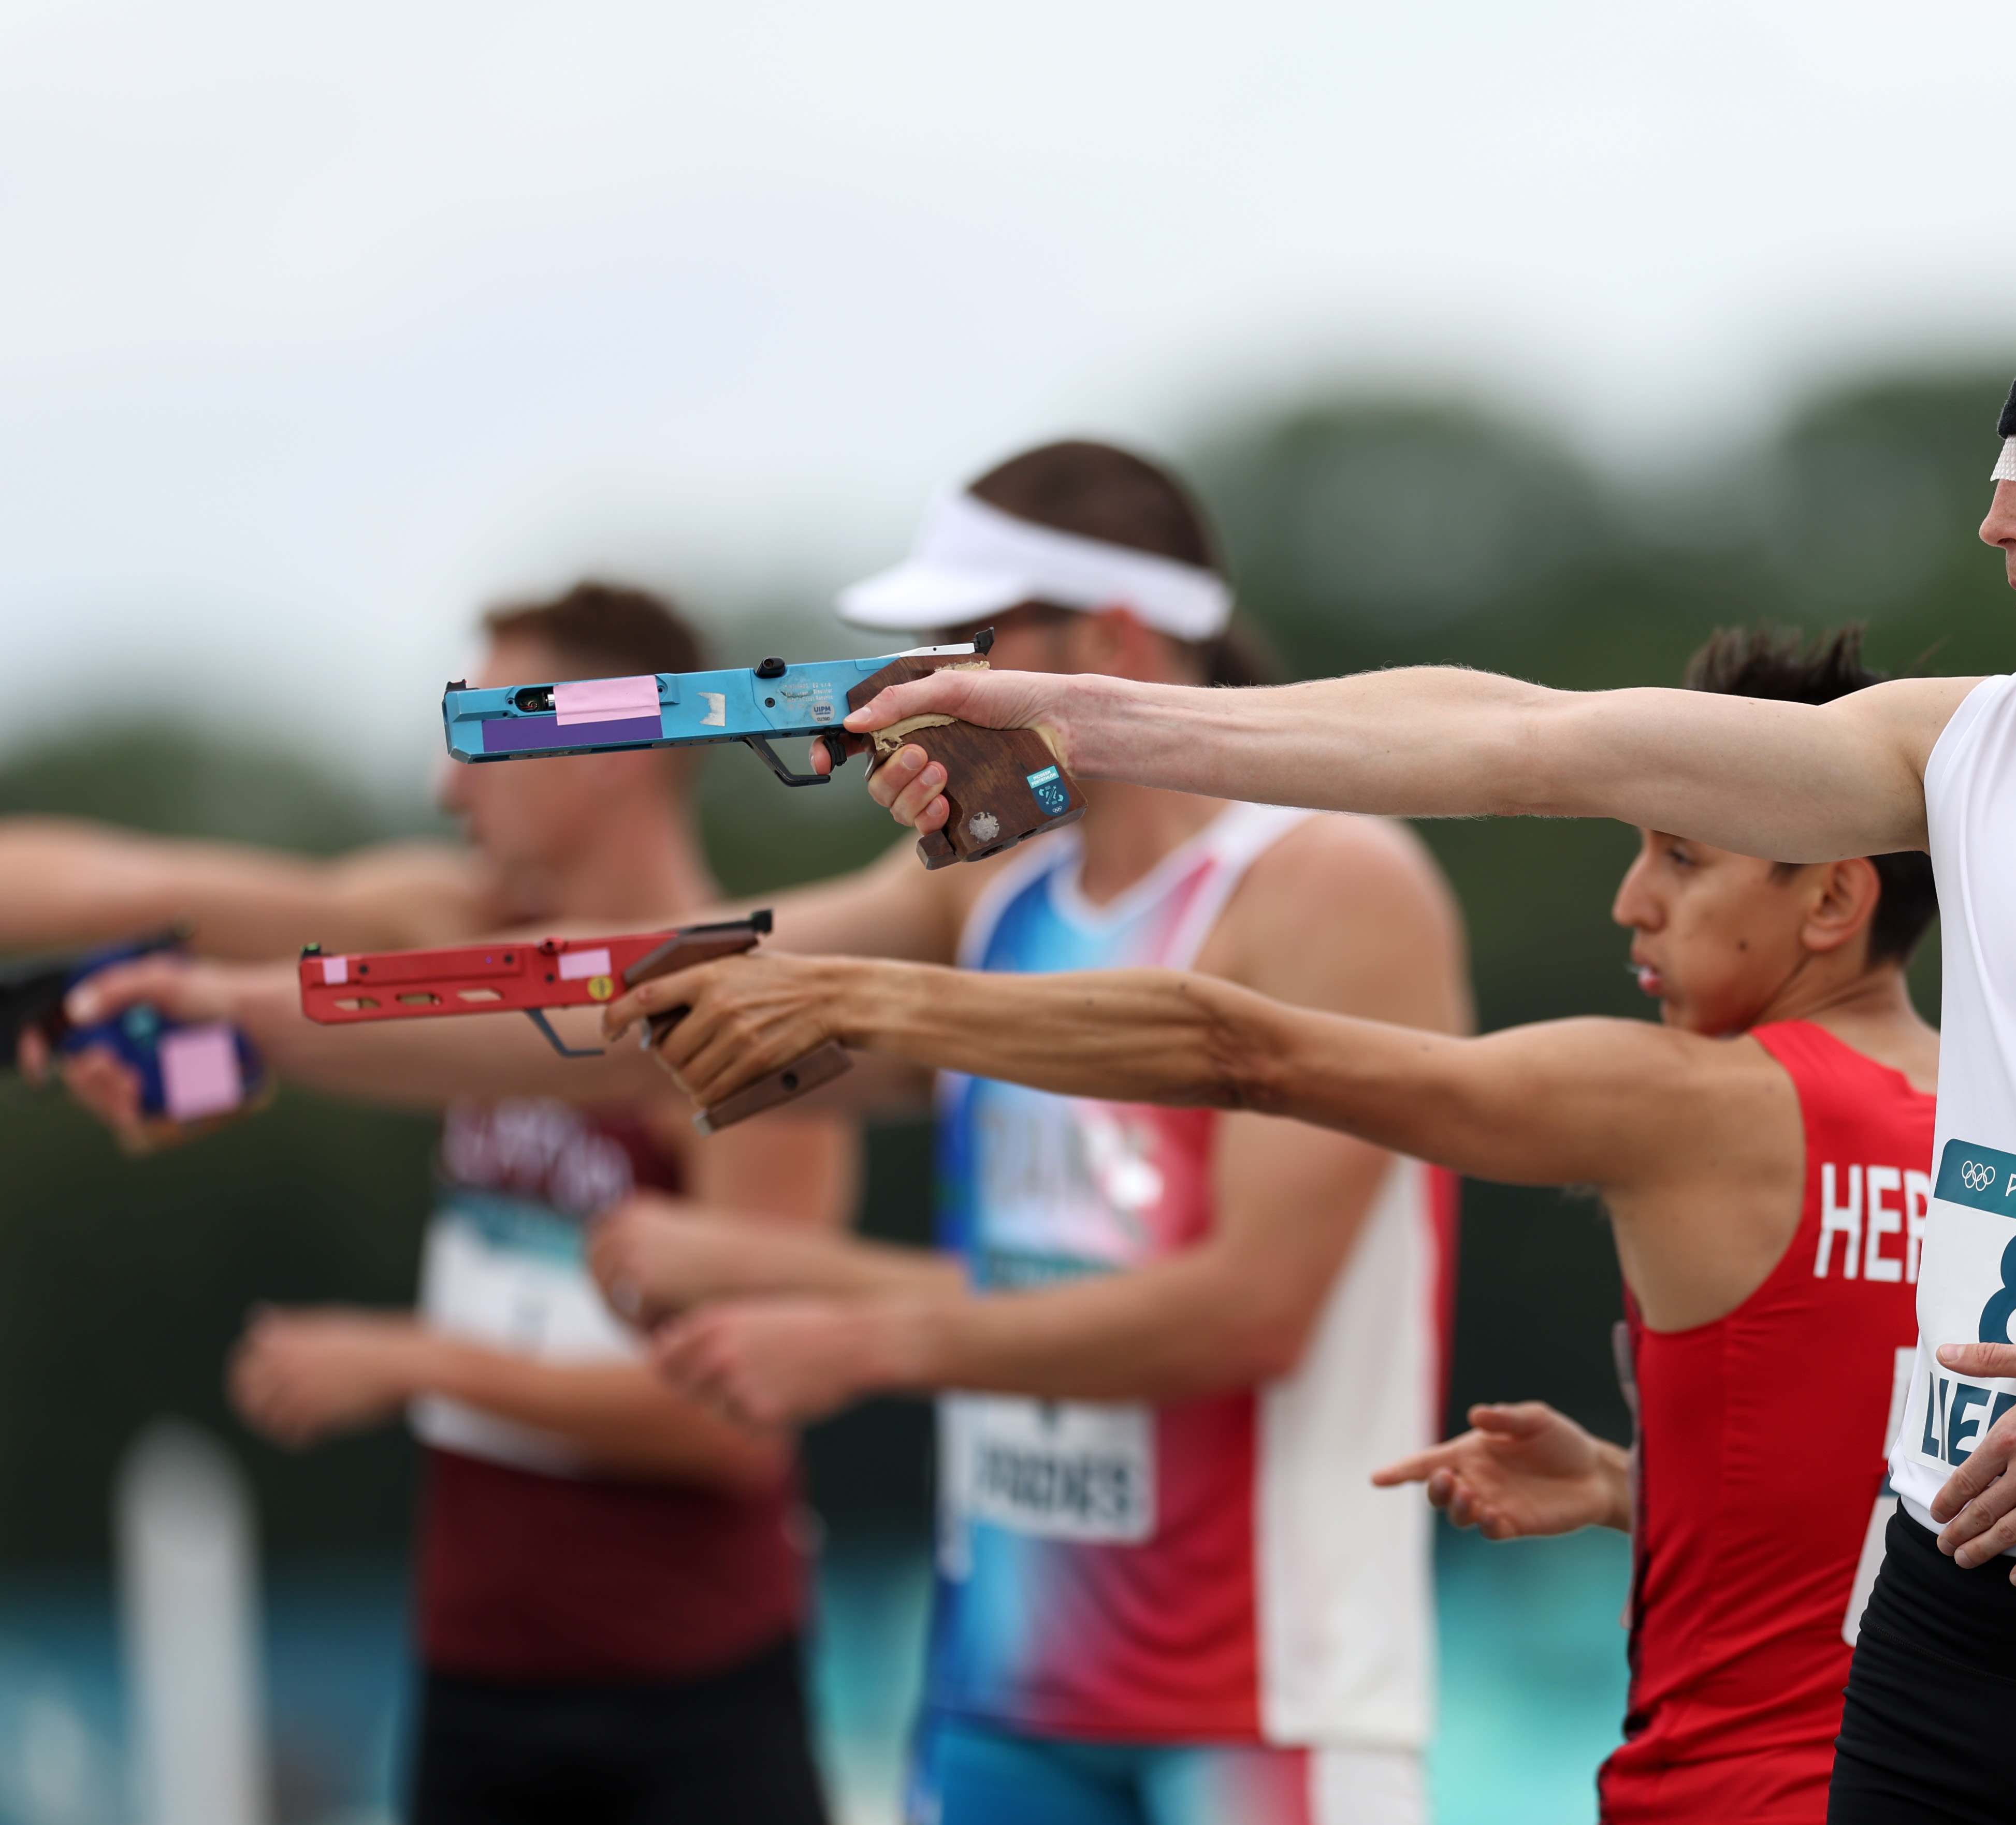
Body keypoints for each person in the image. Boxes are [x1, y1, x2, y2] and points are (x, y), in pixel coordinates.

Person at [813, 239, 2016, 1822]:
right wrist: (1068, 711)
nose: (1996, 512)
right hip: (1938, 1635)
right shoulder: (1976, 748)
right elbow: (1522, 739)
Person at [75, 442, 1471, 1825]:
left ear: (1104, 633)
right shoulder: (984, 897)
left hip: (1265, 1700)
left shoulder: (1327, 881)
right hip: (1004, 1700)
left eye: (960, 643)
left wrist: (851, 1328)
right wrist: (251, 1016)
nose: (922, 688)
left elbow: (1242, 1316)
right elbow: (625, 986)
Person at [594, 622, 1939, 1823]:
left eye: (1681, 856)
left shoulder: (1696, 1101)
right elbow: (1925, 1512)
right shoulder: (2001, 1127)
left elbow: (1235, 1047)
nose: (1628, 900)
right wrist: (1629, 1491)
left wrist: (854, 997)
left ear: (1832, 898)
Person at [17, 584, 851, 1825]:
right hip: (473, 1681)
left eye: (486, 736)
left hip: (689, 1694)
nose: (448, 782)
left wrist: (420, 1364)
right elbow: (131, 902)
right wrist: (191, 1074)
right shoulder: (451, 930)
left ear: (620, 747)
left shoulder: (750, 1006)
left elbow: (735, 1420)